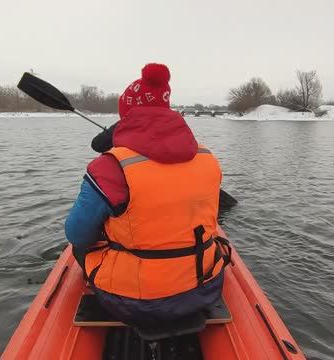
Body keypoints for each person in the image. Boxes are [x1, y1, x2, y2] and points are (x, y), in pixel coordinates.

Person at [64, 63, 230, 326]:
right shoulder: (208, 158)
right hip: (206, 286)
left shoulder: (110, 166)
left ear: (125, 116)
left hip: (135, 302)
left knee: (81, 244)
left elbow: (77, 234)